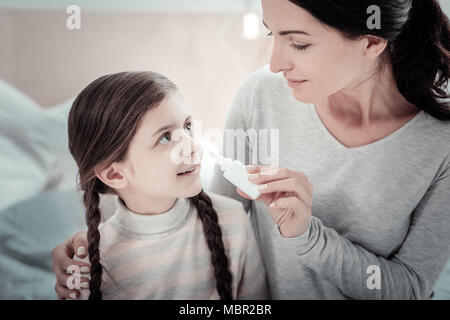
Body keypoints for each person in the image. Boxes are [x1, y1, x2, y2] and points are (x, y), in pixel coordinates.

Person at [53, 0, 450, 299]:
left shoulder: (439, 145)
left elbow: (410, 287)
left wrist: (308, 236)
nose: (275, 63)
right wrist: (99, 235)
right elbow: (208, 211)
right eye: (271, 35)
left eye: (297, 43)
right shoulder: (263, 94)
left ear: (371, 42)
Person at [57, 71, 268, 300]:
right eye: (165, 137)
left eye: (187, 127)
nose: (192, 146)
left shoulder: (233, 221)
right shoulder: (93, 263)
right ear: (115, 174)